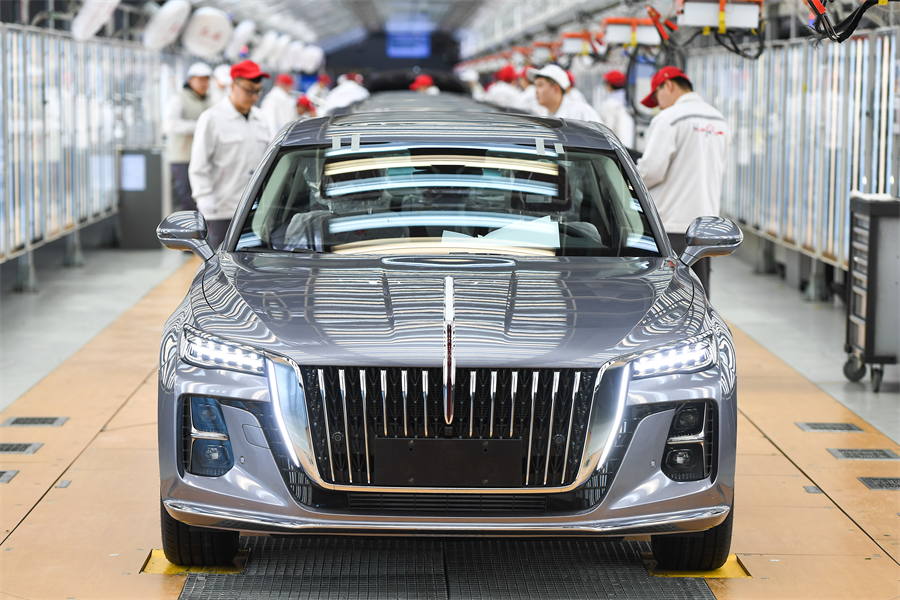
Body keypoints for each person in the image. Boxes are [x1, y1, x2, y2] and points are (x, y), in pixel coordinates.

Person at [636, 66, 729, 295]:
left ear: (668, 85)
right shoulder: (719, 119)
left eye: (656, 97)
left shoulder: (669, 119)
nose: (658, 106)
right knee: (698, 296)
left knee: (667, 296)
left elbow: (651, 171)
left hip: (671, 226)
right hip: (705, 229)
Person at [189, 60, 275, 250]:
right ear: (233, 85)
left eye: (258, 91)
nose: (254, 96)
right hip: (222, 210)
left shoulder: (260, 118)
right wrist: (204, 198)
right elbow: (199, 165)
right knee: (222, 263)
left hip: (256, 210)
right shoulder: (212, 118)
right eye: (249, 90)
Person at [163, 62, 214, 212]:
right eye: (200, 79)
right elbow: (170, 124)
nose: (204, 83)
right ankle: (191, 226)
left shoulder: (209, 101)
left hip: (205, 157)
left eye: (206, 79)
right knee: (188, 197)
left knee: (204, 196)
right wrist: (197, 126)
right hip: (184, 158)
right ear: (190, 80)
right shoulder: (179, 98)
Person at [529, 64, 603, 122]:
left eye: (540, 85)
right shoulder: (540, 115)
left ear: (556, 89)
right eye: (535, 86)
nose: (536, 91)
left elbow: (601, 136)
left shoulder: (581, 112)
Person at [598, 70, 635, 149]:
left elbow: (607, 129)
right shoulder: (628, 102)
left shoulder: (610, 103)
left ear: (609, 85)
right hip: (628, 147)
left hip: (616, 148)